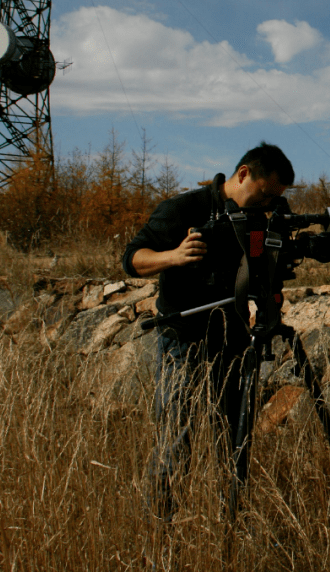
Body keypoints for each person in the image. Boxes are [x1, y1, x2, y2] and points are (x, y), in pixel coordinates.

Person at [122, 142, 294, 520]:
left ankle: (229, 525)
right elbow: (132, 258)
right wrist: (174, 257)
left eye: (274, 198)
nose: (266, 203)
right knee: (175, 442)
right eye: (264, 194)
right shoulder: (186, 209)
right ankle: (161, 532)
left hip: (232, 341)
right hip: (183, 339)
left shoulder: (265, 216)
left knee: (234, 439)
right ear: (244, 173)